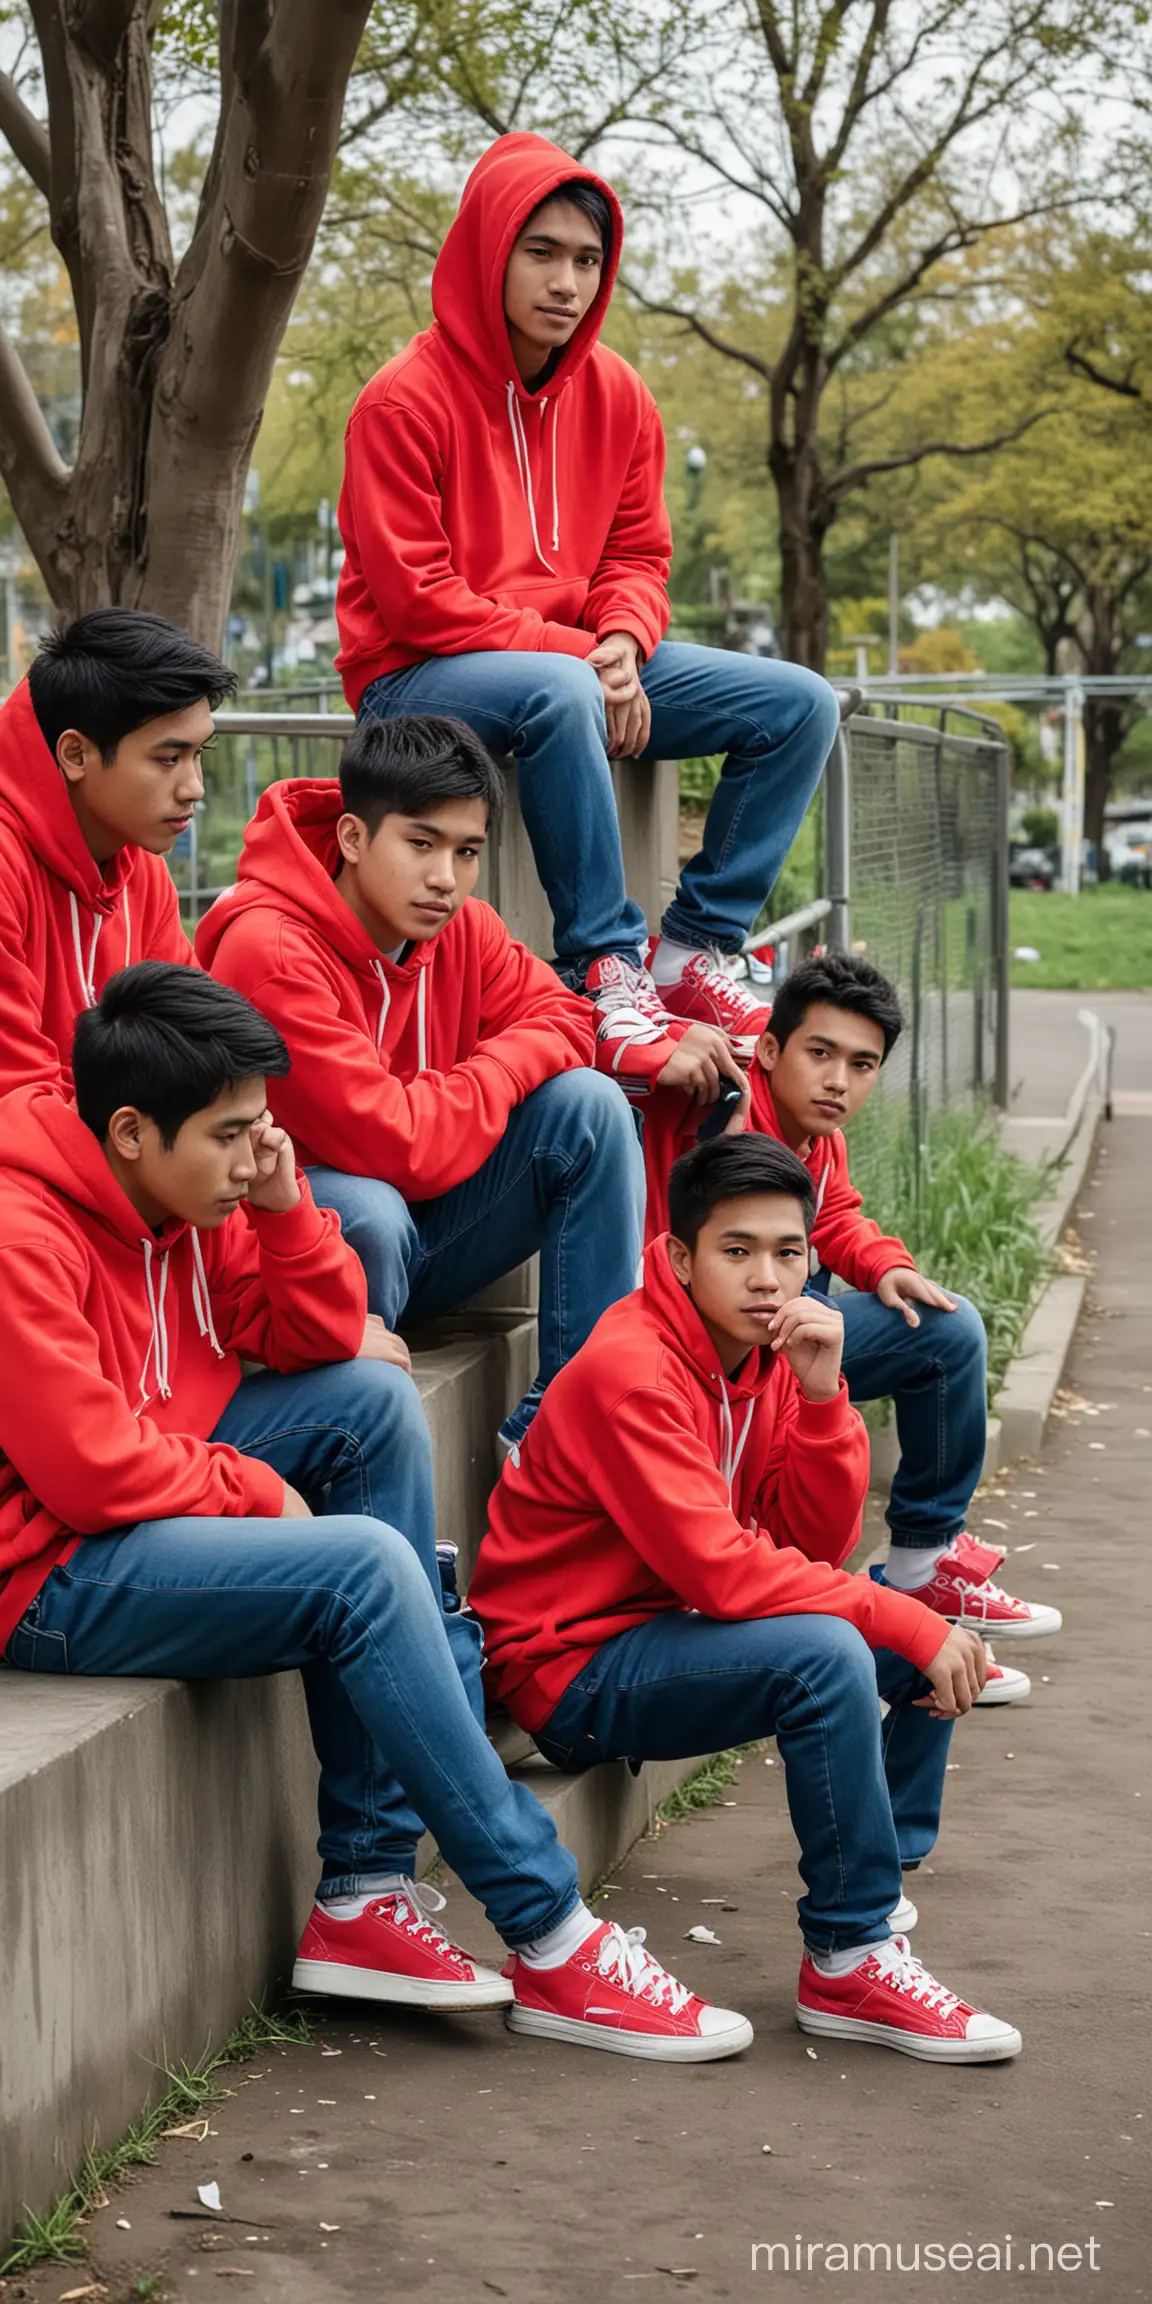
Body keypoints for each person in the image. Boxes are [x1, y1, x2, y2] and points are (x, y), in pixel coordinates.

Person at [0, 962, 747, 2062]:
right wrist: (253, 1489)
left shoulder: (187, 1196)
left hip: (146, 1494)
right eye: (234, 1135)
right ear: (126, 1131)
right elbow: (87, 1473)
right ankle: (547, 1930)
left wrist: (285, 1205)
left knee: (371, 1402)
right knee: (358, 1569)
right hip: (48, 1575)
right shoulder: (23, 1230)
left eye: (265, 1128)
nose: (254, 1152)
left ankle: (363, 1886)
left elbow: (311, 1335)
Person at [470, 1135, 1024, 2063]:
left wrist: (820, 1401)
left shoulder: (763, 1354)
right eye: (737, 1251)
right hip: (567, 1667)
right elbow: (725, 1572)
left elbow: (814, 1547)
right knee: (848, 1643)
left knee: (911, 1632)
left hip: (665, 1627)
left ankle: (878, 1892)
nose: (768, 1278)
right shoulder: (632, 1371)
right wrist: (898, 1613)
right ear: (682, 1257)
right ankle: (851, 1956)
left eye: (788, 1252)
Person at [334, 130, 840, 1106]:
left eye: (587, 261)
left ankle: (692, 947)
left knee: (799, 703)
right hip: (415, 678)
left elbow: (639, 558)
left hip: (573, 667)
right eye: (542, 253)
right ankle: (605, 965)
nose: (566, 282)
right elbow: (416, 595)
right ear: (490, 252)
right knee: (560, 687)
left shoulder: (620, 397)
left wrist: (618, 640)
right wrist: (583, 657)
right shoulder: (402, 401)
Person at [198, 713, 645, 1450]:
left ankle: (571, 1424)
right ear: (352, 838)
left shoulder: (460, 926)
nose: (445, 878)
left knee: (590, 1108)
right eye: (421, 844)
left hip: (423, 1231)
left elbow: (568, 1017)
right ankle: (339, 1400)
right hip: (295, 1258)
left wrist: (486, 1074)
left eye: (467, 852)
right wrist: (499, 1068)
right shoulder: (270, 949)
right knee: (368, 1211)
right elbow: (398, 1144)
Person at [640, 954, 1062, 1703]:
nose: (839, 1080)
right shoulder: (727, 1118)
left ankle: (921, 1567)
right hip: (704, 1346)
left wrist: (884, 1266)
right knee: (931, 1338)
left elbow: (834, 1217)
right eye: (820, 1053)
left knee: (944, 1326)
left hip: (773, 1341)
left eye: (862, 1064)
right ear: (769, 1051)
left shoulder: (818, 1139)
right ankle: (891, 1606)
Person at [0, 607, 236, 1101]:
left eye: (199, 755)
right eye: (168, 759)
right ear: (75, 755)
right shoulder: (8, 865)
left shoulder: (141, 871)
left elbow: (197, 1050)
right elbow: (15, 1096)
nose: (194, 788)